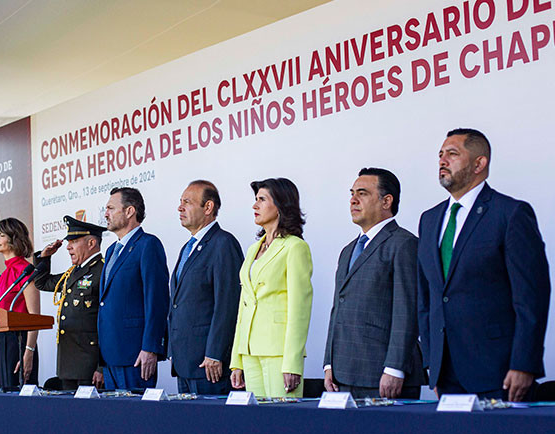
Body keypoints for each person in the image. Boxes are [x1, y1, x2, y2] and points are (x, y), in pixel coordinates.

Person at [418, 128, 550, 402]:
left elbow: (531, 297)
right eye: (440, 154)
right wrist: (431, 361)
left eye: (452, 154)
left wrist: (524, 363)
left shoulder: (510, 214)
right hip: (445, 374)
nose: (442, 160)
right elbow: (427, 298)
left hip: (498, 372)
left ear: (480, 163)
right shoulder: (429, 220)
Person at [323, 168, 425, 399]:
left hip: (383, 374)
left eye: (363, 193)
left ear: (386, 201)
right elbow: (337, 308)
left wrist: (394, 368)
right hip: (343, 375)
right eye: (352, 193)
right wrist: (329, 363)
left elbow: (407, 310)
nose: (353, 200)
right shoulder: (348, 250)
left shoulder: (404, 244)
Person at [230, 178, 313, 398]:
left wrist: (292, 362)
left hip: (279, 352)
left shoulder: (295, 247)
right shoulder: (252, 250)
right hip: (249, 350)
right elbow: (243, 306)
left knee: (283, 422)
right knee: (256, 423)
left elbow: (300, 309)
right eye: (255, 200)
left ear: (280, 205)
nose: (254, 206)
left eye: (262, 200)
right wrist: (236, 359)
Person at [169, 180, 243, 395]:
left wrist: (215, 352)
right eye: (180, 202)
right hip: (185, 362)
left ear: (208, 207)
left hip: (208, 364)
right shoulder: (187, 247)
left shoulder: (223, 243)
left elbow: (228, 304)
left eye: (187, 202)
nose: (180, 208)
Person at [99, 187, 169, 390]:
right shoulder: (112, 250)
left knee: (135, 419)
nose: (106, 214)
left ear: (130, 211)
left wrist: (150, 347)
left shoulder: (148, 245)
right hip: (110, 354)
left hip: (135, 354)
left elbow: (157, 301)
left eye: (111, 208)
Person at [34, 216, 105, 390]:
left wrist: (102, 366)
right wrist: (44, 257)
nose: (68, 247)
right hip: (68, 364)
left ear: (91, 243)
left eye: (74, 241)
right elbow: (42, 283)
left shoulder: (103, 270)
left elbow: (108, 322)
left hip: (90, 366)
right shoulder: (72, 274)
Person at [0, 217, 40, 389]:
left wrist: (29, 352)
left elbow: (34, 317)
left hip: (19, 343)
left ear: (14, 238)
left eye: (1, 235)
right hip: (2, 342)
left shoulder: (24, 271)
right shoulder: (4, 273)